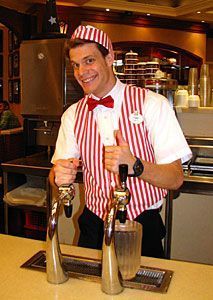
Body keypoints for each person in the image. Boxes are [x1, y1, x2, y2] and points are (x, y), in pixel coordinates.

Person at [49, 25, 192, 258]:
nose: (81, 72)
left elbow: (176, 178)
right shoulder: (72, 114)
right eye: (76, 65)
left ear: (109, 58)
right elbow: (56, 176)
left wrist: (136, 165)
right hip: (93, 226)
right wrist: (59, 176)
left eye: (89, 61)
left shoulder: (152, 104)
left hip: (141, 226)